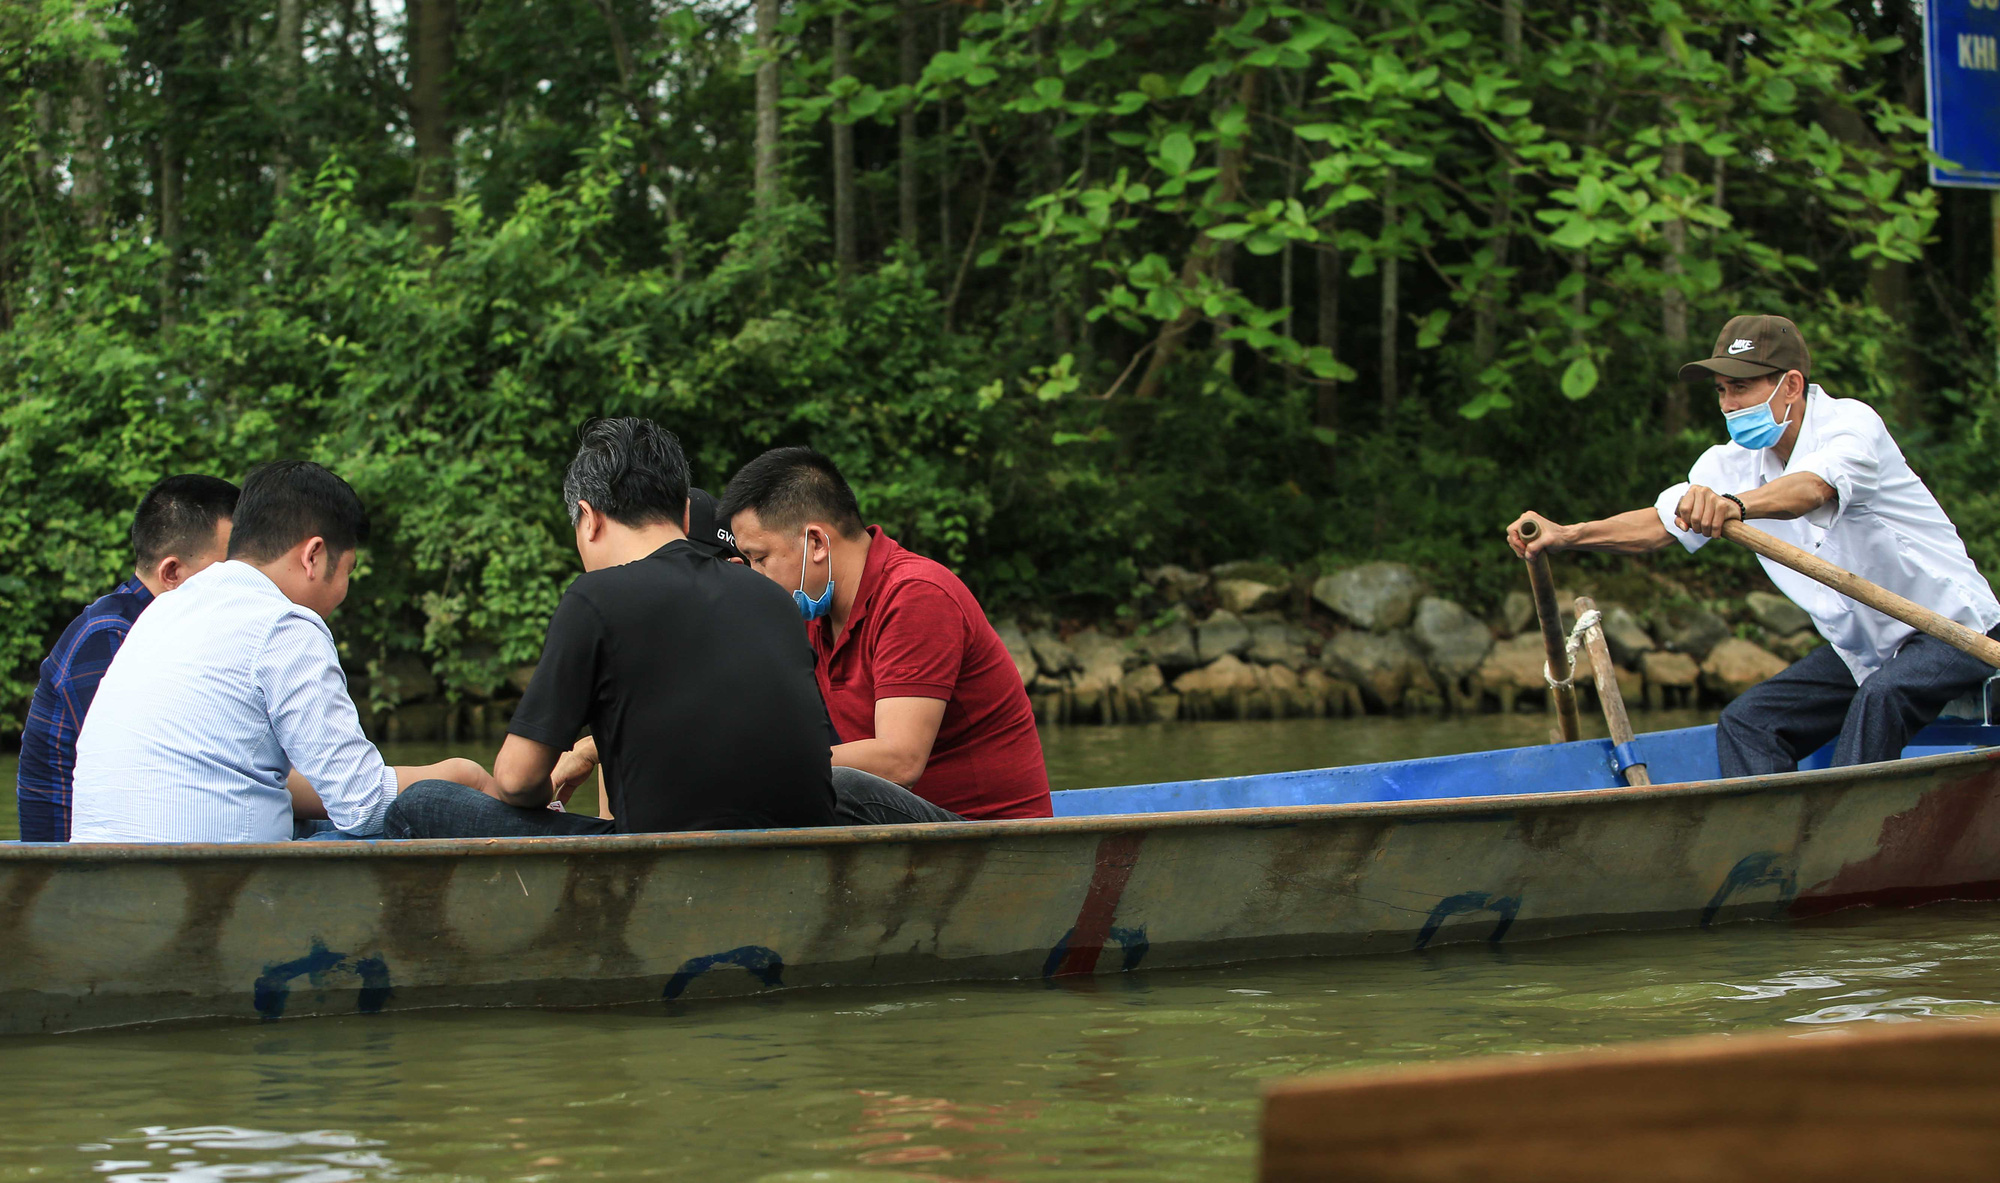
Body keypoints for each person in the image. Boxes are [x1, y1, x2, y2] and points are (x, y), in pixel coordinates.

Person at [1508, 313, 2000, 777]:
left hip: (1953, 628)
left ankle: (1844, 843)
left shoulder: (1851, 425)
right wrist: (1568, 535)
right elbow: (1659, 525)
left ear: (1790, 385)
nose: (1728, 404)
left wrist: (1734, 506)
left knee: (1882, 698)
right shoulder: (1730, 463)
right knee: (1748, 723)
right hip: (1865, 647)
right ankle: (1776, 851)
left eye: (1741, 388)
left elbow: (1812, 490)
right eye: (1722, 391)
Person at [385, 417, 854, 839]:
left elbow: (515, 779)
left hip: (658, 876)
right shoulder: (775, 600)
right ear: (686, 515)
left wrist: (542, 797)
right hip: (798, 864)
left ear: (588, 519)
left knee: (421, 802)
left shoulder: (596, 598)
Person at [70, 461, 492, 842]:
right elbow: (361, 804)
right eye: (347, 572)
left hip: (106, 876)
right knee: (423, 815)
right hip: (206, 891)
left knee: (314, 822)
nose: (342, 592)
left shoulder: (166, 609)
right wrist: (464, 774)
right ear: (313, 555)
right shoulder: (283, 624)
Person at [722, 446, 1053, 820]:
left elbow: (900, 761)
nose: (753, 575)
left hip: (989, 837)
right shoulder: (813, 613)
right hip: (920, 833)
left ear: (816, 543)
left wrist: (754, 766)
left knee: (835, 784)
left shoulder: (916, 595)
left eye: (760, 558)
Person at [15, 475, 239, 841]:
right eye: (229, 571)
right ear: (171, 572)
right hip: (74, 876)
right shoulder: (109, 636)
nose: (244, 585)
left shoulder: (176, 632)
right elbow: (178, 772)